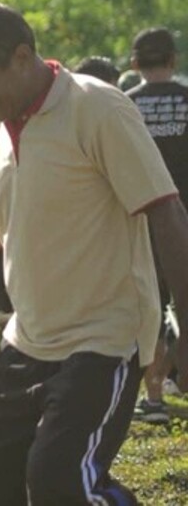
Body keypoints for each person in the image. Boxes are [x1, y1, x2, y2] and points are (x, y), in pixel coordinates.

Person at [0, 2, 188, 506]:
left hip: (102, 337)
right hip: (29, 336)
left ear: (21, 57)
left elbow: (166, 213)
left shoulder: (97, 108)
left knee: (60, 483)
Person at [126, 28, 188, 424]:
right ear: (174, 60)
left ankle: (153, 398)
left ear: (134, 64)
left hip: (141, 217)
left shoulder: (124, 105)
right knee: (184, 302)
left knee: (150, 305)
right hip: (184, 214)